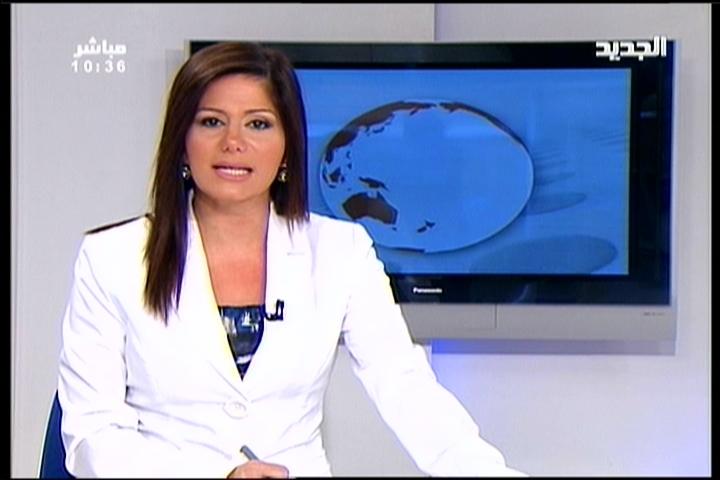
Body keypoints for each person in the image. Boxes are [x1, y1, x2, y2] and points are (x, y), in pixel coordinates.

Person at [57, 41, 525, 478]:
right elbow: (91, 434)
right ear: (181, 141)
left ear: (287, 147)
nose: (233, 142)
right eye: (212, 122)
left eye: (258, 124)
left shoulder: (342, 251)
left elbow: (405, 386)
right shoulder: (112, 258)